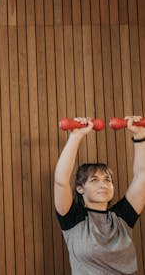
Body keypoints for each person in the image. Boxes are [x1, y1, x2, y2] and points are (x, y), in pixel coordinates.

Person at [54, 116, 145, 274]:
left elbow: (142, 177)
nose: (103, 185)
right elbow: (61, 181)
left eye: (107, 180)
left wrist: (139, 135)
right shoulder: (73, 219)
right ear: (80, 188)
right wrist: (75, 137)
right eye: (95, 180)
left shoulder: (121, 218)